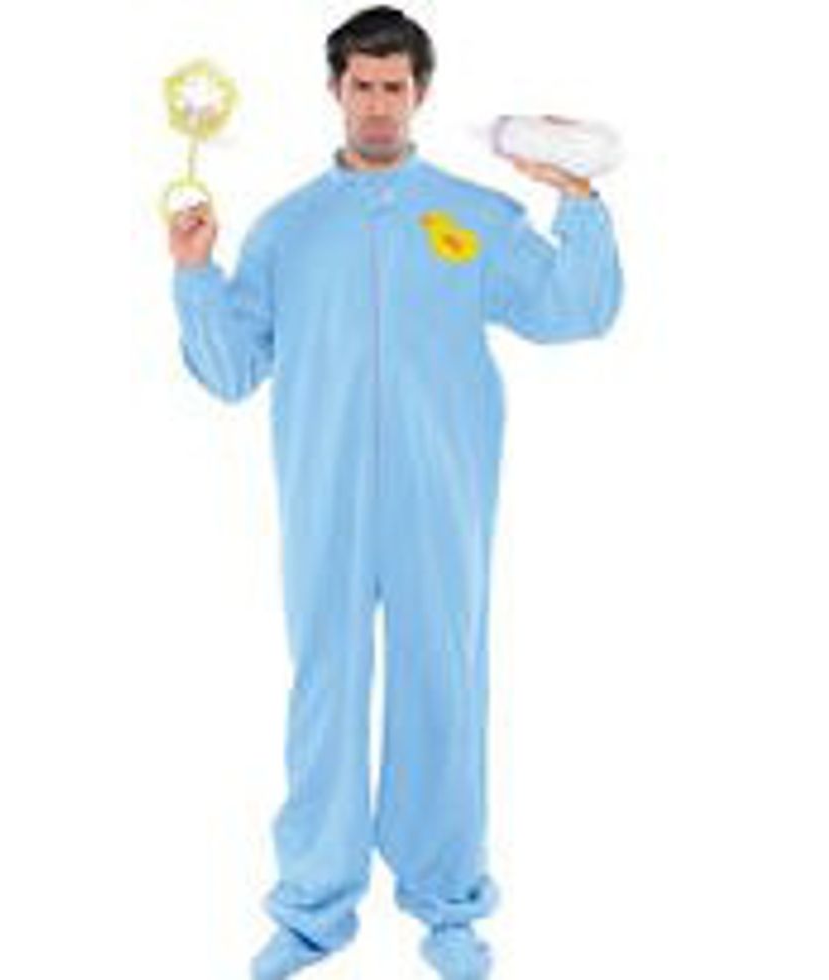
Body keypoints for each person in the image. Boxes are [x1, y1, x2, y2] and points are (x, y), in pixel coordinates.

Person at [168, 6, 624, 978]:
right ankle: (311, 908)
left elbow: (575, 307)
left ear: (421, 93)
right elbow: (231, 369)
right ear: (334, 89)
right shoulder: (289, 228)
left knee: (442, 685)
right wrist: (196, 272)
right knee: (324, 692)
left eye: (394, 87)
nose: (378, 105)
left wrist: (578, 202)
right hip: (323, 499)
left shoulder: (472, 216)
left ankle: (447, 900)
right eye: (362, 86)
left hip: (439, 498)